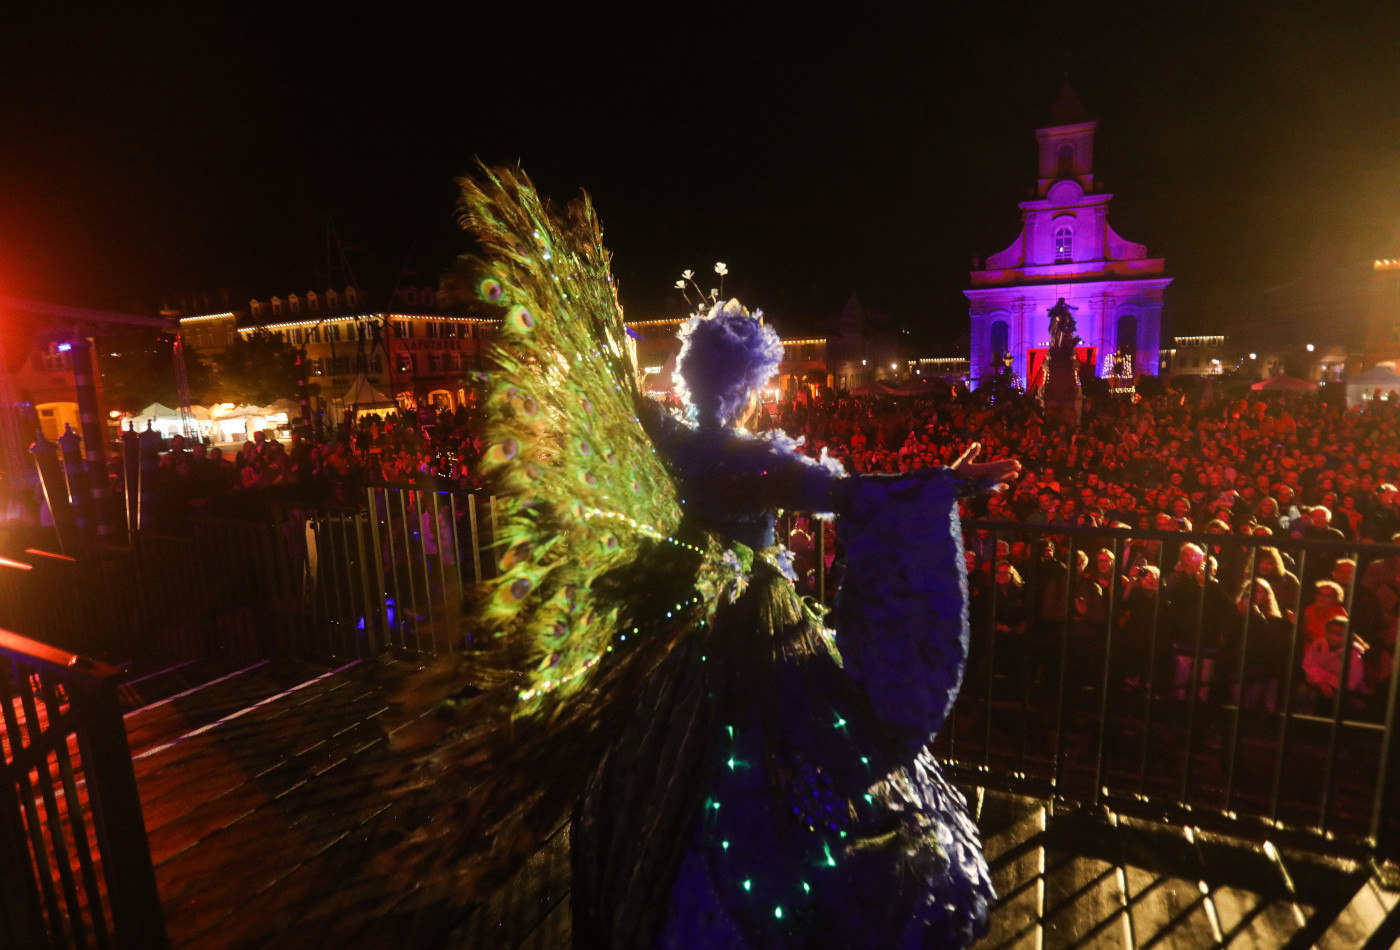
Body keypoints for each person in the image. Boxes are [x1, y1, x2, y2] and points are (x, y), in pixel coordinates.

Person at [389, 167, 1018, 950]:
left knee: (671, 771)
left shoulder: (670, 438)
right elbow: (850, 496)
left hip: (675, 633)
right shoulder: (759, 459)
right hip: (756, 634)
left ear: (691, 377)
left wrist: (579, 325)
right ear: (753, 385)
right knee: (773, 768)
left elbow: (617, 400)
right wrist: (948, 483)